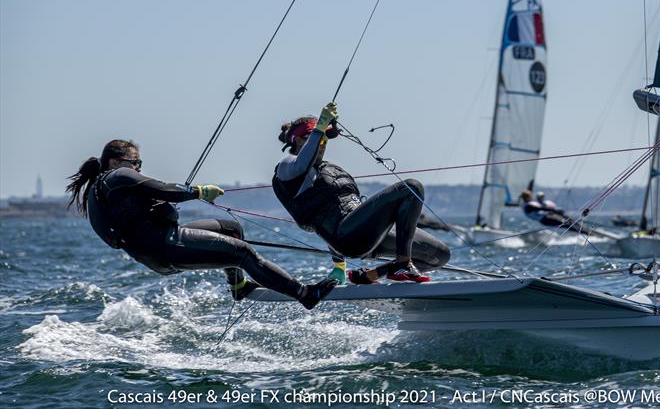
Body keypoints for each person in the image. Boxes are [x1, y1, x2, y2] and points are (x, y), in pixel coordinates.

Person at [66, 139, 336, 309]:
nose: (138, 167)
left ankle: (239, 287)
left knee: (231, 229)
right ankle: (304, 294)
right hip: (164, 246)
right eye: (135, 162)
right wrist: (198, 191)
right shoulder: (117, 176)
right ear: (116, 160)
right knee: (242, 253)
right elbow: (162, 189)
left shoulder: (100, 191)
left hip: (161, 243)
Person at [272, 103, 450, 285]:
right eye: (316, 139)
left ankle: (371, 275)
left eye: (325, 140)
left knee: (439, 255)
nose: (322, 145)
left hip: (367, 233)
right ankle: (403, 264)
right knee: (411, 187)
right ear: (298, 141)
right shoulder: (287, 166)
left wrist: (339, 267)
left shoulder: (326, 168)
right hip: (347, 237)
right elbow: (322, 215)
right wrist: (320, 127)